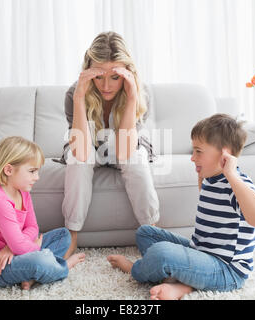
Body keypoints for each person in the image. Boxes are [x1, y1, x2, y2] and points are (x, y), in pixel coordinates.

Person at [107, 114, 255, 300]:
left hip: (227, 270)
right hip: (201, 253)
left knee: (162, 253)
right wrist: (202, 173)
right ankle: (182, 283)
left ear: (224, 154)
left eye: (198, 151)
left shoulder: (237, 184)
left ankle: (137, 270)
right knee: (146, 233)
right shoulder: (211, 178)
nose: (192, 158)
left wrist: (232, 175)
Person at [56, 31, 160, 257]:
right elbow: (82, 152)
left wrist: (132, 97)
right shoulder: (74, 93)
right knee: (77, 160)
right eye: (99, 76)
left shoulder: (140, 94)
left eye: (114, 77)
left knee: (135, 159)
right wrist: (80, 98)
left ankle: (150, 232)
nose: (105, 86)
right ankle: (71, 234)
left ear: (127, 74)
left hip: (125, 145)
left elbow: (125, 151)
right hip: (87, 145)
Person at [0, 136, 85, 290]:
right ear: (9, 170)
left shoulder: (23, 192)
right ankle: (63, 267)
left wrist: (13, 247)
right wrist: (27, 247)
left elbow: (32, 227)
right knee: (40, 260)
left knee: (64, 235)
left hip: (16, 251)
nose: (37, 178)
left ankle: (31, 277)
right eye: (32, 171)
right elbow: (21, 245)